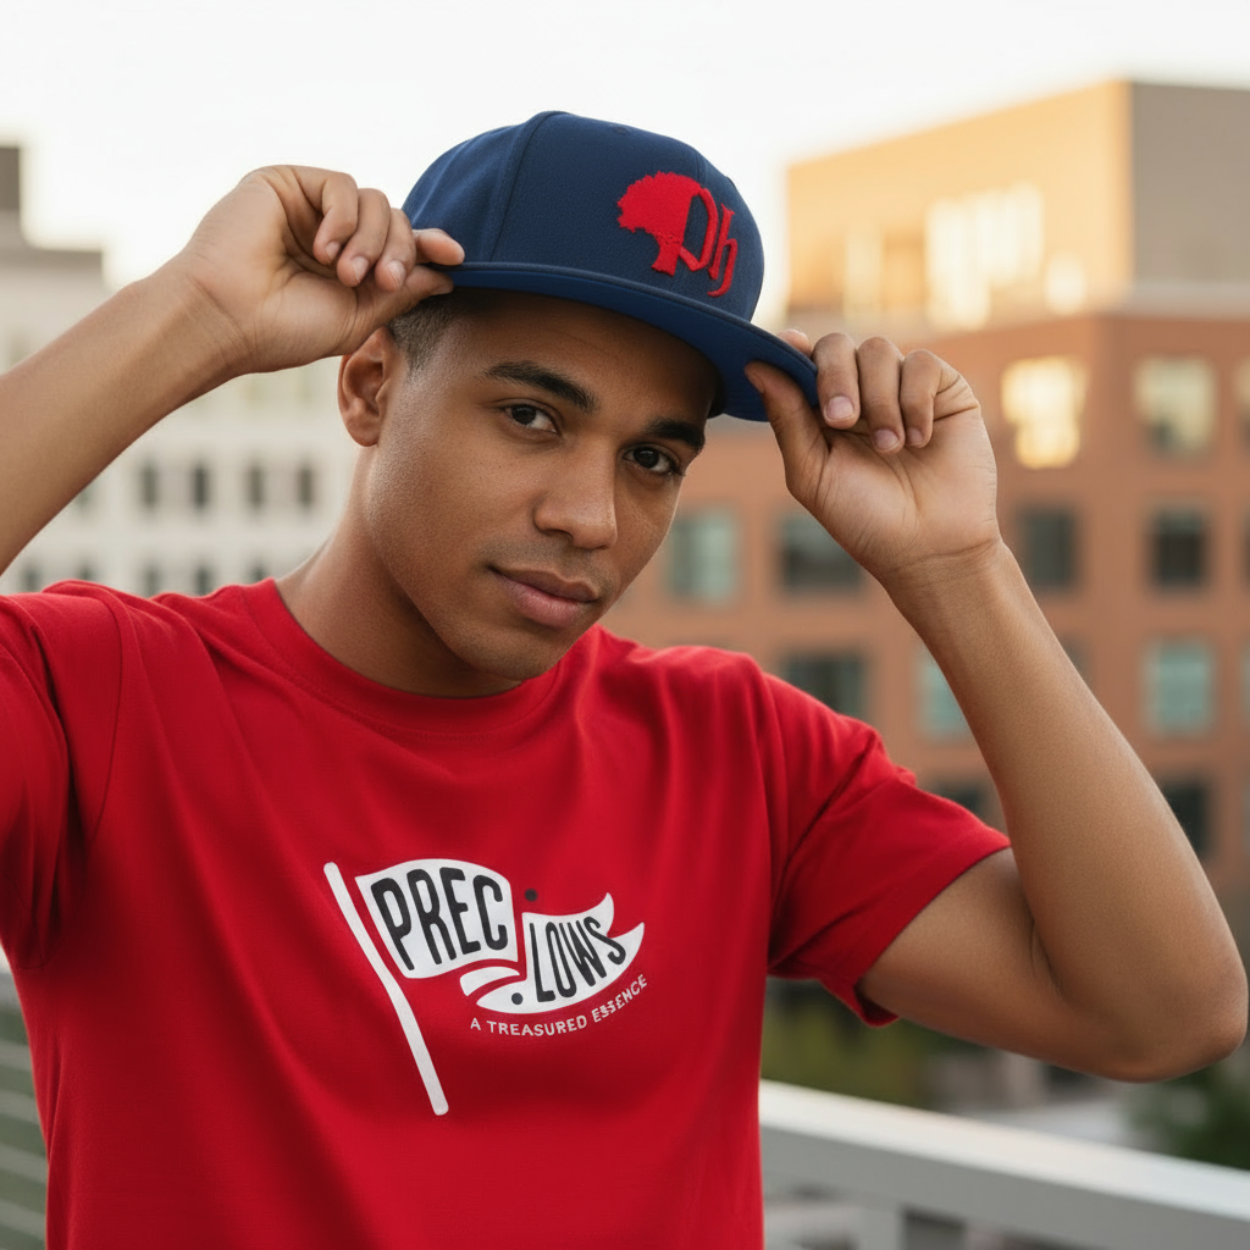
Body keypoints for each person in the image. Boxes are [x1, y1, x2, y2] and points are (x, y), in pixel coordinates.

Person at [0, 112, 1243, 1249]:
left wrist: (954, 562)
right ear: (371, 385)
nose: (590, 515)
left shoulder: (736, 750)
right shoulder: (102, 696)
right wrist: (196, 314)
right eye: (532, 416)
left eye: (652, 456)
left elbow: (1159, 1013)